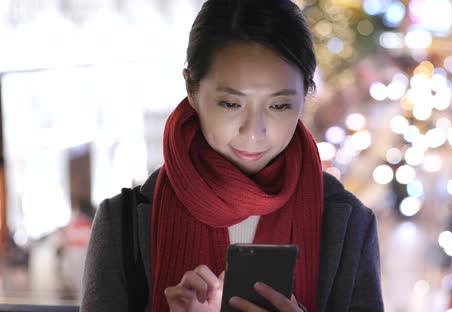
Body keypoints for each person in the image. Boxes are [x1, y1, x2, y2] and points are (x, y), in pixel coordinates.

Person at [81, 0, 384, 311]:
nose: (254, 132)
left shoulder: (348, 224)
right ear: (191, 88)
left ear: (305, 94)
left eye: (279, 106)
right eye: (230, 104)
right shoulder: (122, 224)